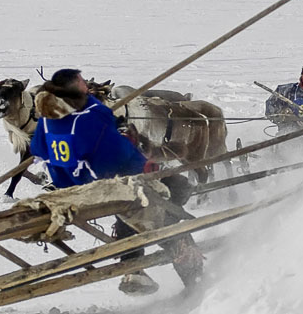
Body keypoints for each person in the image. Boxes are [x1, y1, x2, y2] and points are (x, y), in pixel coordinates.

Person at [29, 68, 196, 295]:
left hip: (66, 186)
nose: (85, 84)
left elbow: (38, 149)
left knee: (140, 202)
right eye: (81, 82)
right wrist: (146, 156)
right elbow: (120, 158)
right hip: (97, 187)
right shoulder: (89, 117)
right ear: (72, 89)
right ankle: (186, 262)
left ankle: (138, 266)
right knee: (173, 190)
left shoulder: (46, 121)